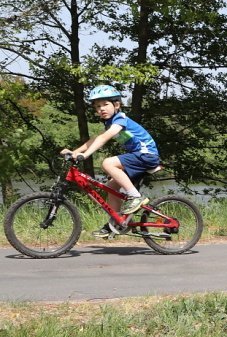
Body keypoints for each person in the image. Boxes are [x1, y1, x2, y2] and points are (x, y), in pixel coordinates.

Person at [61, 84, 161, 237]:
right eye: (97, 106)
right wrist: (75, 152)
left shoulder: (120, 119)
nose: (101, 109)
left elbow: (104, 138)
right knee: (111, 188)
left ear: (117, 105)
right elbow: (95, 139)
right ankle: (116, 222)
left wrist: (85, 155)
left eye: (105, 104)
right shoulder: (110, 122)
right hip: (138, 157)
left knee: (108, 163)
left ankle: (135, 197)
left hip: (146, 155)